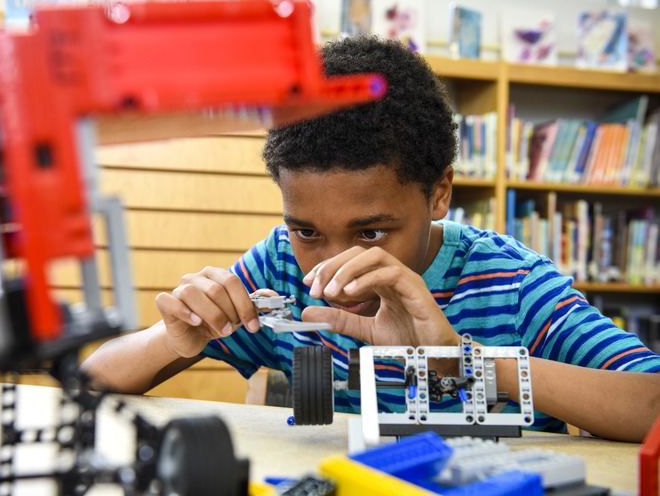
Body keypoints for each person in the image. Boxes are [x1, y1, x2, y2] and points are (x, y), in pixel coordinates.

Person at [81, 35, 660, 443]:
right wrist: (172, 339)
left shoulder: (511, 284)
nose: (334, 269)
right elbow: (94, 381)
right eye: (307, 229)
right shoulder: (280, 266)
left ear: (438, 195)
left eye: (371, 232)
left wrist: (470, 363)